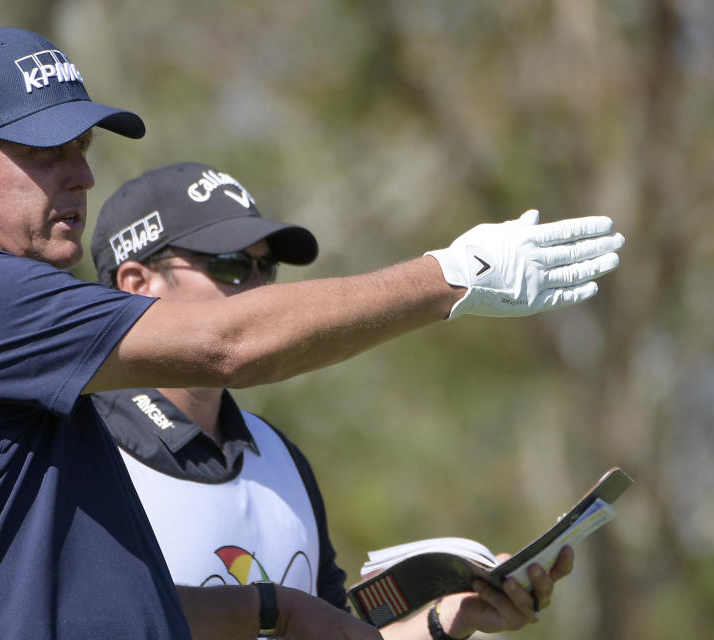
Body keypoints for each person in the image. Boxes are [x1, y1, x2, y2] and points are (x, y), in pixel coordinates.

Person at [0, 25, 622, 640]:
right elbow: (230, 344)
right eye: (47, 153)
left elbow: (121, 615)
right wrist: (455, 275)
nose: (81, 176)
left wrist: (286, 612)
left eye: (82, 150)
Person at [89, 161, 577, 640]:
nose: (260, 289)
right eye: (233, 266)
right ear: (138, 284)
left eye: (267, 268)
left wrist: (450, 619)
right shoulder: (73, 453)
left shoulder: (280, 458)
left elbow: (329, 631)